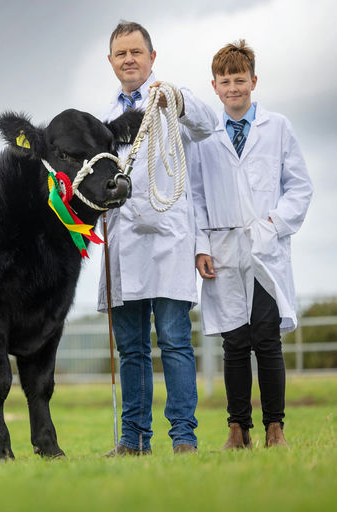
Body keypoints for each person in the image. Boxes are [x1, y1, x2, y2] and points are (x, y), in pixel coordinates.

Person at [99, 21, 217, 456]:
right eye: (120, 53)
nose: (129, 59)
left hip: (169, 240)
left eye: (136, 52)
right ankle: (133, 439)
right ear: (111, 62)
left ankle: (184, 438)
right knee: (130, 348)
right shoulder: (103, 114)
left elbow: (208, 125)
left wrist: (179, 101)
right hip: (123, 239)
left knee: (173, 341)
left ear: (152, 57)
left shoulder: (169, 99)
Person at [190, 40, 313, 449]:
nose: (232, 88)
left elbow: (299, 187)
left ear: (253, 81)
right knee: (235, 339)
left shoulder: (277, 128)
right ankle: (237, 429)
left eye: (239, 80)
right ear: (214, 85)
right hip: (224, 248)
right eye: (224, 81)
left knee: (266, 336)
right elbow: (196, 196)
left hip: (264, 245)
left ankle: (275, 428)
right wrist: (201, 245)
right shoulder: (205, 139)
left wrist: (274, 225)